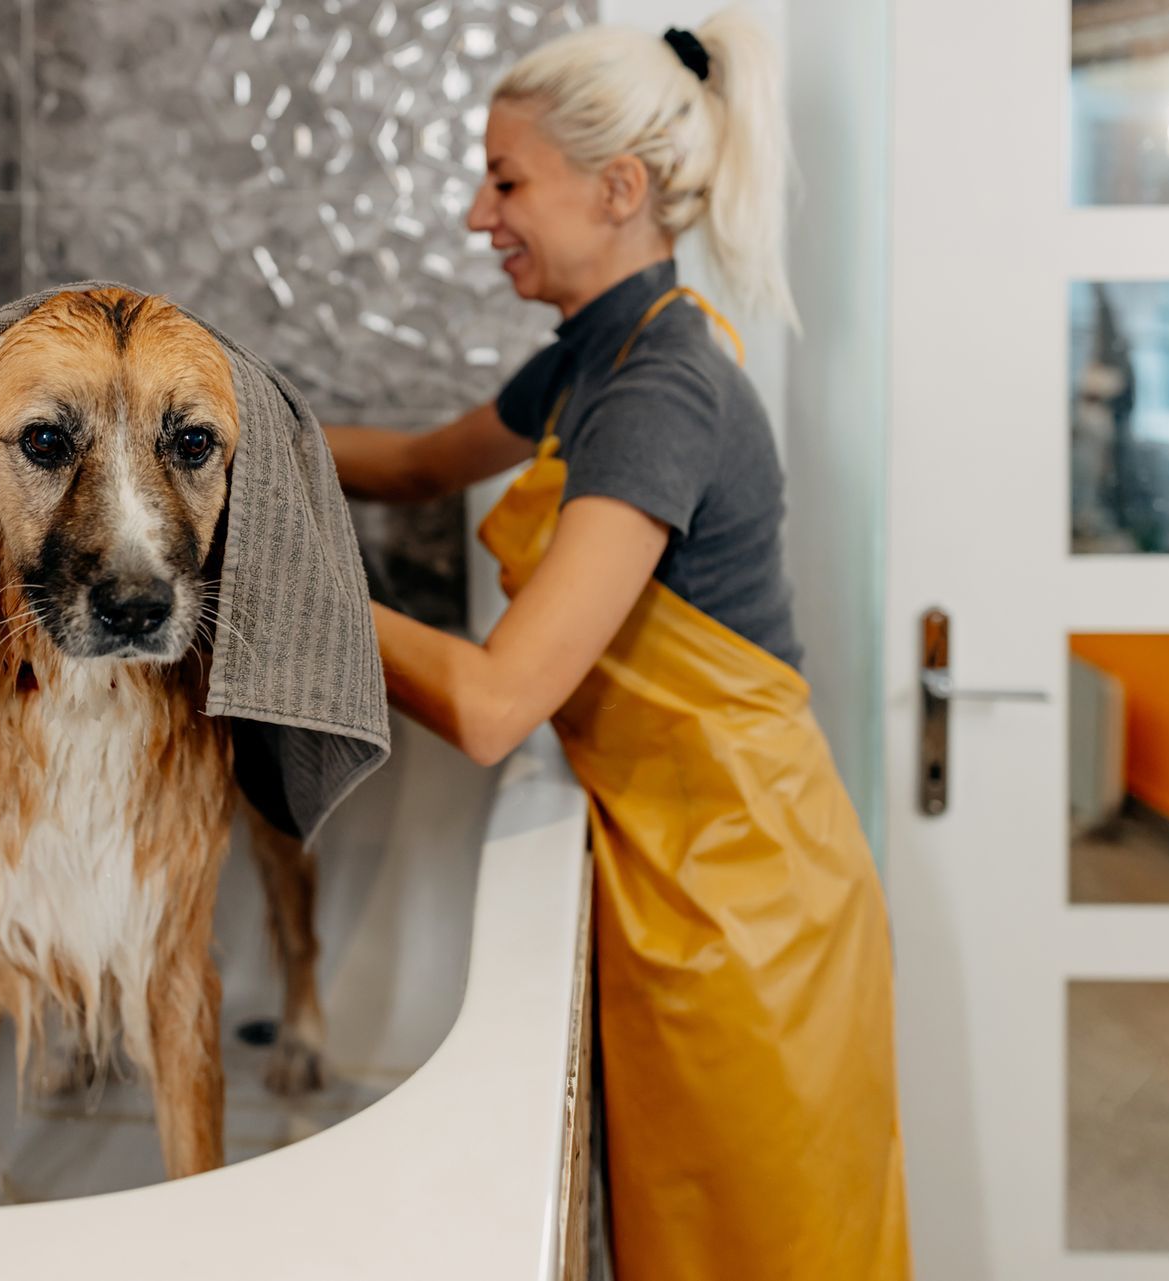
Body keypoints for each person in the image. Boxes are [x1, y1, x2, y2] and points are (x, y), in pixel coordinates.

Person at [323, 14, 912, 1280]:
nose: (483, 215)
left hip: (747, 903)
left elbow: (493, 705)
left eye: (506, 179)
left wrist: (256, 599)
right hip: (677, 868)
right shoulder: (603, 352)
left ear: (619, 188)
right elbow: (422, 464)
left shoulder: (660, 389)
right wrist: (217, 416)